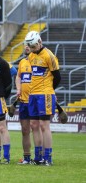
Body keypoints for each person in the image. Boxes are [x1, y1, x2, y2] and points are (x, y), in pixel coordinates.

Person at [25, 31, 61, 166]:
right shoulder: (31, 56)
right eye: (30, 47)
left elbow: (57, 77)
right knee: (34, 125)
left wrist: (50, 91)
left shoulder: (49, 56)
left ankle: (48, 157)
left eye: (33, 46)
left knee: (44, 125)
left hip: (45, 94)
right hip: (33, 94)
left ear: (39, 42)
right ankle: (38, 157)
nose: (32, 49)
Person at [15, 45, 32, 164]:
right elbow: (18, 76)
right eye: (26, 44)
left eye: (29, 44)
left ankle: (40, 156)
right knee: (25, 130)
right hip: (23, 102)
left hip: (36, 101)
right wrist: (18, 88)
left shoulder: (40, 61)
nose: (26, 46)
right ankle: (26, 158)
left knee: (38, 129)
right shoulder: (22, 62)